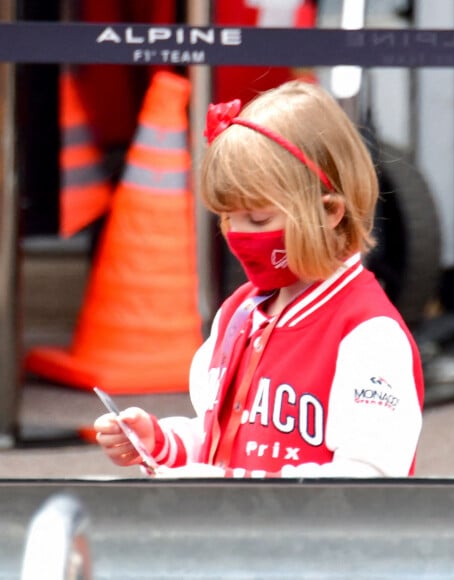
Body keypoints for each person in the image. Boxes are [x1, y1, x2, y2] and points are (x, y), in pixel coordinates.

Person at [94, 80, 424, 478]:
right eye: (228, 217)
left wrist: (230, 485)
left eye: (259, 218)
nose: (238, 234)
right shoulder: (239, 312)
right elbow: (222, 438)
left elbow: (370, 479)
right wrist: (160, 443)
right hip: (238, 532)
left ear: (331, 211)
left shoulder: (367, 332)